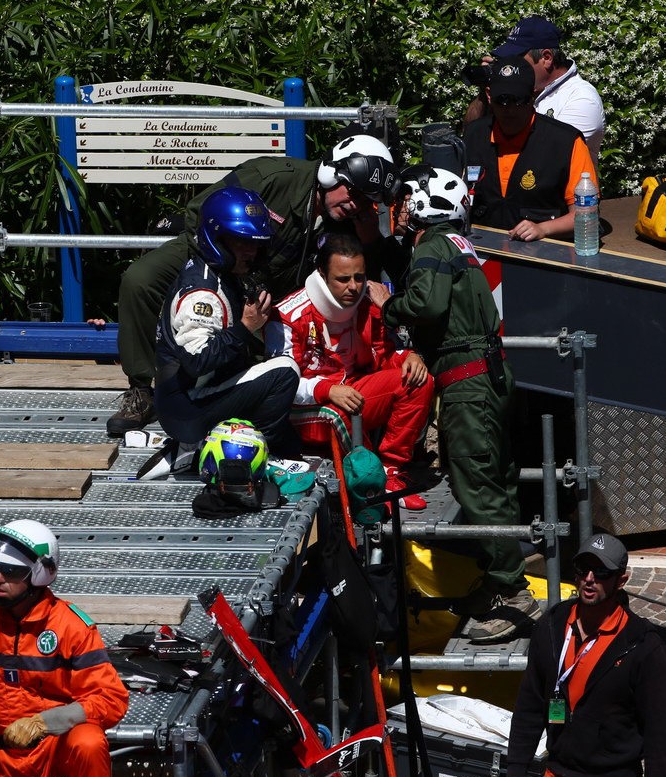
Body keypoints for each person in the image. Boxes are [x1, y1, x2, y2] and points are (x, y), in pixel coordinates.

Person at [107, 134, 400, 437]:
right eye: (352, 192)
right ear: (330, 173)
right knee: (140, 279)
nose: (355, 204)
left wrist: (370, 241)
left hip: (269, 283)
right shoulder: (272, 177)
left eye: (366, 201)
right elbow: (200, 211)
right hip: (208, 252)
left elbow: (360, 274)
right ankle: (141, 390)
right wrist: (223, 266)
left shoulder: (349, 221)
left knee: (273, 361)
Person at [368, 166, 536, 643]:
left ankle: (512, 590)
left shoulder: (432, 246)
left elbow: (426, 306)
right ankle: (500, 577)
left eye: (403, 199)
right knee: (496, 480)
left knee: (474, 485)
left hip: (468, 384)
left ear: (423, 203)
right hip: (491, 377)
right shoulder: (460, 244)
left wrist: (386, 304)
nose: (396, 208)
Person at [0, 520, 129, 777]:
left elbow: (111, 699)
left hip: (61, 739)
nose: (0, 578)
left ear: (39, 575)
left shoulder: (70, 627)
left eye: (12, 571)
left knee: (89, 743)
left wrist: (45, 722)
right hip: (13, 751)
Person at [267, 232, 435, 509]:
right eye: (343, 279)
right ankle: (369, 483)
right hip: (306, 407)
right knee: (339, 413)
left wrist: (409, 356)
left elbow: (385, 354)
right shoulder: (285, 316)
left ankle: (391, 473)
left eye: (359, 277)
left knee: (418, 380)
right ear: (321, 274)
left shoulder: (368, 305)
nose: (354, 287)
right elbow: (279, 385)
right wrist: (327, 389)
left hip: (354, 392)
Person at [503, 532, 666, 777]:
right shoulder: (552, 625)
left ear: (622, 580)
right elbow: (531, 703)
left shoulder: (642, 644)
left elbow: (657, 730)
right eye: (584, 569)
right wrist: (516, 771)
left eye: (602, 572)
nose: (590, 578)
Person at [150, 185, 302, 474]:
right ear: (216, 238)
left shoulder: (218, 273)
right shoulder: (203, 294)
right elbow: (197, 361)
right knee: (285, 371)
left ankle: (207, 446)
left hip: (193, 400)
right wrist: (246, 327)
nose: (251, 251)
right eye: (241, 242)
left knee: (294, 444)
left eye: (256, 243)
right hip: (186, 410)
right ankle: (256, 457)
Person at [463, 56, 598, 243]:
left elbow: (587, 215)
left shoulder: (565, 142)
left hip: (541, 255)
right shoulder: (474, 135)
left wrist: (543, 229)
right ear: (488, 95)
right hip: (480, 249)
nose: (509, 109)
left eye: (519, 100)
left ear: (533, 96)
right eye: (501, 100)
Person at [488, 15, 605, 164]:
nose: (510, 67)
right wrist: (489, 94)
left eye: (517, 59)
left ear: (547, 58)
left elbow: (548, 159)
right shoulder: (525, 90)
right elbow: (474, 139)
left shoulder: (581, 99)